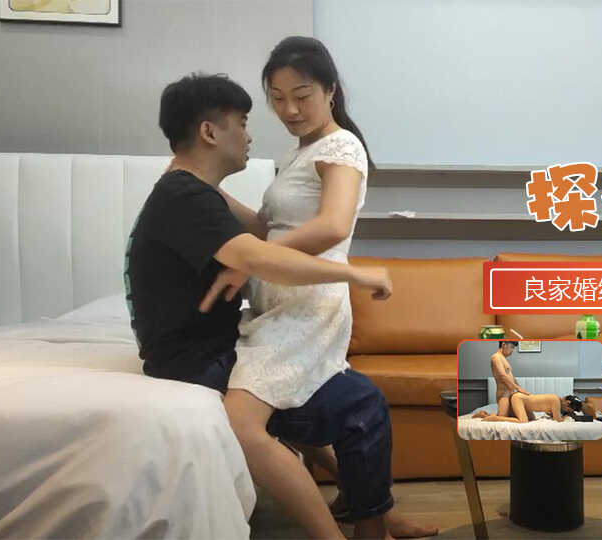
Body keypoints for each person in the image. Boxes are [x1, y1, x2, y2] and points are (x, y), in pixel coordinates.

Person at [127, 72, 395, 539]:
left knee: (300, 390)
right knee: (361, 404)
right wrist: (355, 274)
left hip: (196, 348)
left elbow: (258, 238)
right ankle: (353, 528)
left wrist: (242, 235)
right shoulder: (185, 197)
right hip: (197, 360)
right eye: (243, 122)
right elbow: (259, 254)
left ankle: (369, 511)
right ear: (210, 132)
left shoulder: (188, 192)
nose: (250, 135)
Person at [200, 37, 435, 538]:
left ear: (330, 90)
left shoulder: (342, 147)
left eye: (302, 95)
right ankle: (378, 511)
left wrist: (250, 261)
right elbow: (268, 229)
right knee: (299, 411)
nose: (289, 109)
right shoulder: (299, 152)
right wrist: (207, 189)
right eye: (278, 98)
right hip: (275, 303)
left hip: (308, 306)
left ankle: (350, 524)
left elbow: (332, 225)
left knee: (243, 420)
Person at [473, 394, 590, 423]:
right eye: (568, 409)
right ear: (567, 403)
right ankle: (494, 418)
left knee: (532, 418)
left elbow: (549, 413)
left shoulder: (555, 399)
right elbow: (558, 419)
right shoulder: (556, 400)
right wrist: (567, 416)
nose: (565, 411)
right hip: (519, 399)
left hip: (525, 403)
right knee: (523, 421)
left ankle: (484, 414)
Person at [489, 340, 530, 418]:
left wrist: (520, 389)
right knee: (502, 417)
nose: (512, 350)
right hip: (503, 394)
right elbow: (502, 376)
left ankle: (485, 414)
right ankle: (482, 415)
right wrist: (518, 388)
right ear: (504, 344)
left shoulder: (503, 359)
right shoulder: (496, 357)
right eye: (511, 347)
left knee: (528, 416)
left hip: (511, 394)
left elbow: (512, 378)